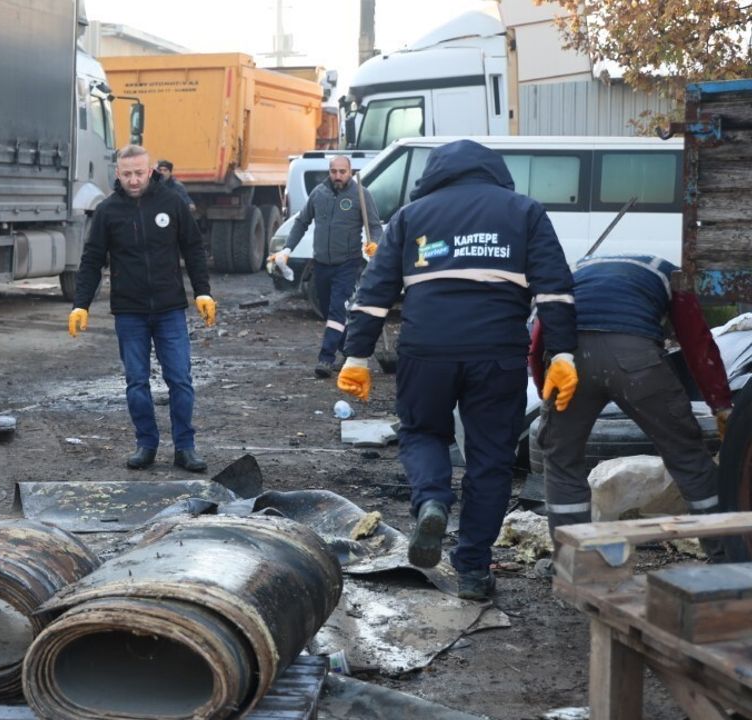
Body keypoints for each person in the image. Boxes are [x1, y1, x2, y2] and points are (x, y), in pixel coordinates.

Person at [335, 139, 579, 600]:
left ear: (437, 174)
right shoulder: (524, 211)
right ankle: (472, 570)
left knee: (423, 432)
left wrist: (356, 355)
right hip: (498, 352)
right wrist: (562, 354)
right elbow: (555, 289)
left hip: (426, 349)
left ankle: (432, 500)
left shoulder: (412, 215)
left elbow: (374, 291)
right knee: (491, 459)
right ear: (494, 172)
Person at [531, 254, 735, 558]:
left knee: (561, 460)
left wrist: (547, 389)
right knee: (689, 457)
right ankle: (725, 555)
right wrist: (720, 404)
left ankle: (570, 562)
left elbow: (539, 336)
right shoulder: (668, 273)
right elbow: (697, 343)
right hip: (637, 363)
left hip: (572, 361)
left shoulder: (572, 273)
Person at [69, 144, 216, 472]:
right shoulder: (108, 212)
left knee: (180, 379)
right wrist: (81, 304)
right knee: (137, 382)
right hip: (130, 312)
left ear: (150, 171)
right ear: (117, 174)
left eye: (139, 173)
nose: (134, 180)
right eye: (127, 174)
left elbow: (193, 249)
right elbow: (92, 260)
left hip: (169, 310)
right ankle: (146, 444)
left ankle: (185, 447)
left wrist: (202, 292)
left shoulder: (172, 203)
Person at [268, 155, 383, 379]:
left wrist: (375, 245)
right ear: (329, 172)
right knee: (329, 313)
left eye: (342, 171)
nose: (338, 176)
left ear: (350, 172)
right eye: (334, 171)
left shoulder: (361, 194)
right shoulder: (319, 194)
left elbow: (375, 227)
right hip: (321, 264)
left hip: (347, 264)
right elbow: (302, 222)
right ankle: (353, 351)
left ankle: (326, 359)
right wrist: (287, 249)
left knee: (337, 310)